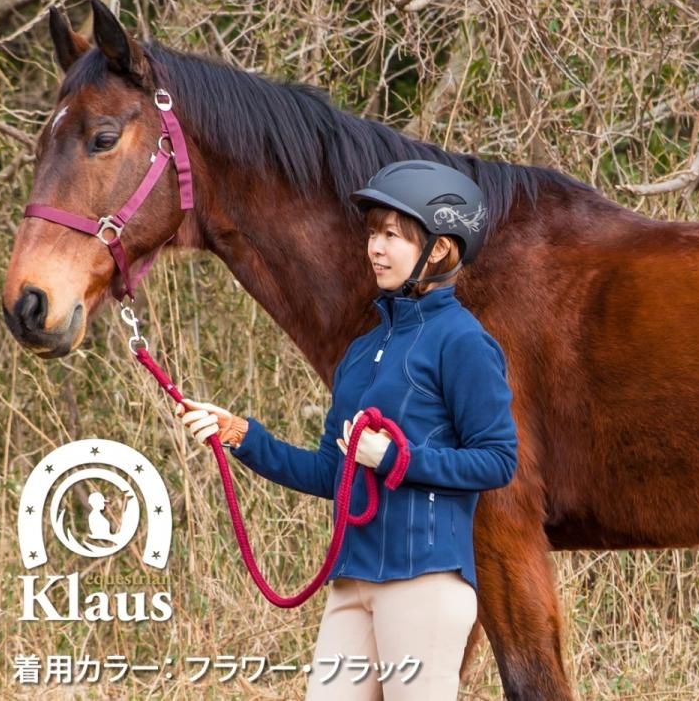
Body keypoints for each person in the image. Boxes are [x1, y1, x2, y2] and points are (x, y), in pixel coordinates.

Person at [176, 159, 518, 700]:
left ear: (440, 249)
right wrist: (242, 434)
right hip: (352, 581)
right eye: (372, 234)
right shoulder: (361, 355)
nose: (374, 249)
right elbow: (331, 472)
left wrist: (397, 460)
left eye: (391, 235)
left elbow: (499, 460)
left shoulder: (464, 342)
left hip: (423, 583)